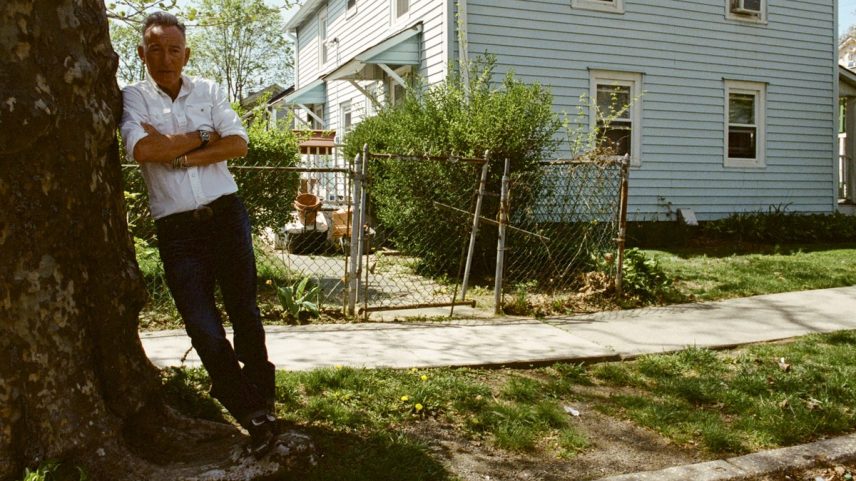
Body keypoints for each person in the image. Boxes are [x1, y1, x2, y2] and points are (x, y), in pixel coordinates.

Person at [119, 11, 279, 457]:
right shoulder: (133, 97)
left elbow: (238, 144)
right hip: (177, 231)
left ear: (186, 53)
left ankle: (262, 400)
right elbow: (143, 149)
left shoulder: (207, 90)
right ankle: (248, 408)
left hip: (226, 215)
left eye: (174, 49)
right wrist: (202, 136)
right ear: (141, 53)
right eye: (155, 49)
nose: (165, 58)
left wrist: (180, 153)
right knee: (203, 326)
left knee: (245, 310)